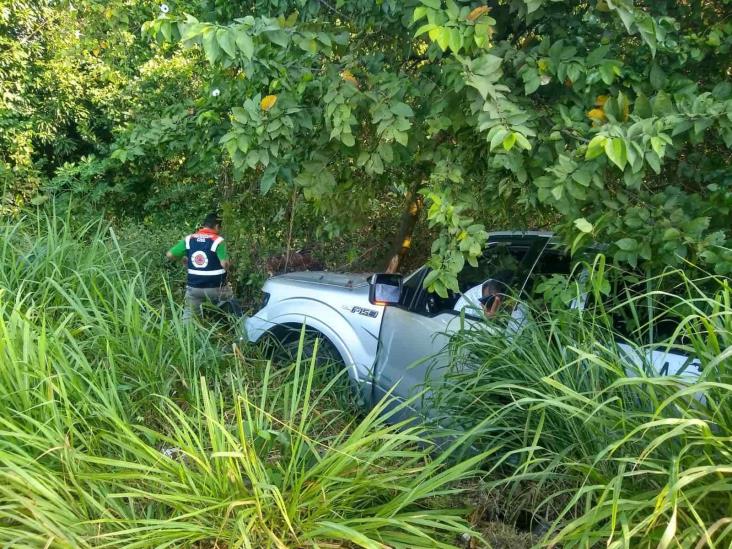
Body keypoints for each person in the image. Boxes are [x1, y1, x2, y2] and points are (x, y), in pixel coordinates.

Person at [166, 212, 235, 322]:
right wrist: (229, 264)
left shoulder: (189, 239)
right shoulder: (218, 240)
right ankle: (241, 331)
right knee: (233, 308)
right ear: (217, 226)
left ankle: (185, 336)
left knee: (190, 317)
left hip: (194, 288)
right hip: (217, 288)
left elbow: (170, 255)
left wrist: (183, 259)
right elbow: (224, 264)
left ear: (204, 225)